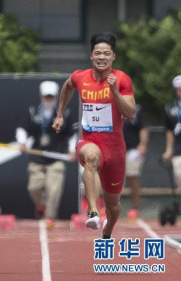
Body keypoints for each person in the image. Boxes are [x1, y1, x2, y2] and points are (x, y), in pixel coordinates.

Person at [52, 32, 136, 239]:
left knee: (114, 206)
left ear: (113, 56)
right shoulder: (80, 77)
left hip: (115, 149)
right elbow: (67, 86)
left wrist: (114, 91)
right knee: (91, 158)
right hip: (90, 140)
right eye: (97, 53)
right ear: (91, 56)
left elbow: (131, 114)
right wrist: (60, 114)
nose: (102, 57)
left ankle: (107, 229)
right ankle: (92, 211)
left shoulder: (122, 79)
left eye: (106, 53)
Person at [16, 81, 77, 228]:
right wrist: (22, 143)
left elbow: (73, 134)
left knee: (53, 190)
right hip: (36, 158)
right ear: (41, 96)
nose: (49, 99)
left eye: (52, 96)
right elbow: (22, 129)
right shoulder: (33, 111)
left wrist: (72, 150)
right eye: (46, 96)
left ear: (57, 97)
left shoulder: (65, 113)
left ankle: (50, 217)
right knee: (33, 187)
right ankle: (41, 205)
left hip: (56, 158)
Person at [123, 105, 148, 221]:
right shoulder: (110, 106)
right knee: (109, 178)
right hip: (115, 148)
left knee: (132, 177)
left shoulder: (136, 109)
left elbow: (143, 128)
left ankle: (135, 208)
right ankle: (107, 207)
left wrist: (142, 144)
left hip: (133, 149)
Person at [162, 75, 181, 193]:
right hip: (178, 150)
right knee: (179, 179)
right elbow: (169, 130)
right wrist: (168, 149)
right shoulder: (170, 109)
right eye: (178, 88)